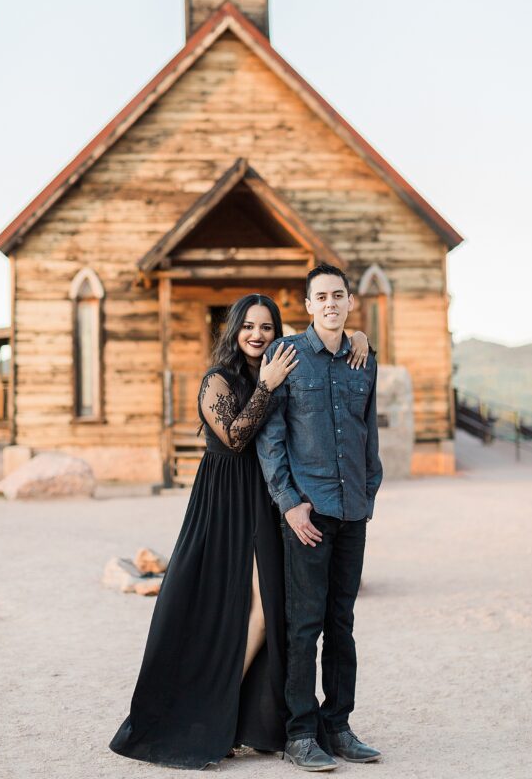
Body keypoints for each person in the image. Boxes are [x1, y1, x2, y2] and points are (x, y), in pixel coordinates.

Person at [109, 293, 370, 769]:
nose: (257, 334)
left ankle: (255, 719)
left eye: (266, 327)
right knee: (237, 609)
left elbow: (322, 348)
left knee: (273, 609)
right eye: (248, 326)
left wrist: (358, 335)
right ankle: (208, 710)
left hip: (270, 498)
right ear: (234, 331)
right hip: (226, 500)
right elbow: (233, 436)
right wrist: (266, 386)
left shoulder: (280, 366)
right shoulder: (218, 380)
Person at [256, 264, 384, 772]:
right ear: (307, 305)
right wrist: (289, 502)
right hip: (308, 513)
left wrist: (370, 489)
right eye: (320, 296)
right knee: (305, 625)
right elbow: (272, 436)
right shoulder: (285, 355)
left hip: (353, 509)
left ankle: (339, 726)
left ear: (349, 302)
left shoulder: (362, 358)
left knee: (342, 623)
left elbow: (368, 430)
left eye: (338, 295)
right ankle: (300, 734)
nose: (330, 303)